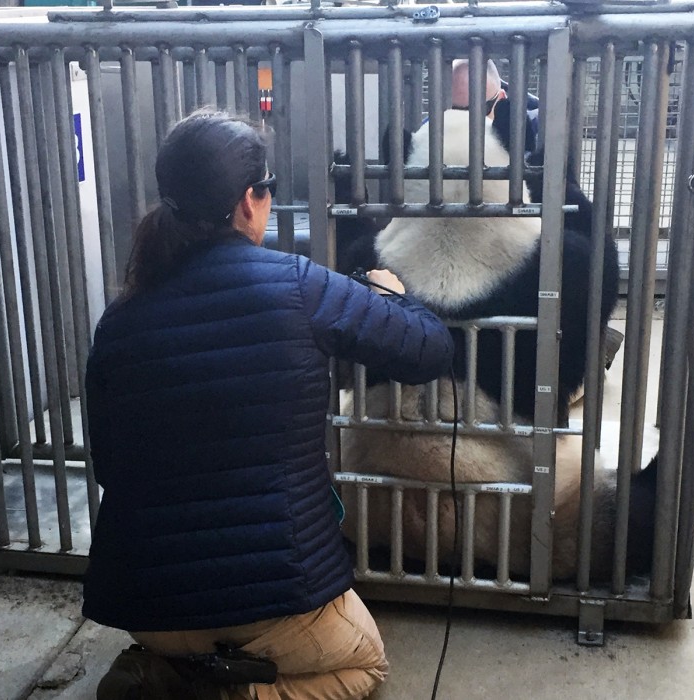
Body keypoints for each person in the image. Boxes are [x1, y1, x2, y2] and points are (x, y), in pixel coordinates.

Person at [83, 109, 454, 700]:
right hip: (273, 600)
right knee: (365, 667)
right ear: (251, 201)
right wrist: (391, 296)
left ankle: (170, 668)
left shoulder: (120, 318)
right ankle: (221, 691)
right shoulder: (297, 284)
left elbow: (109, 465)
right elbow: (430, 349)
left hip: (148, 607)